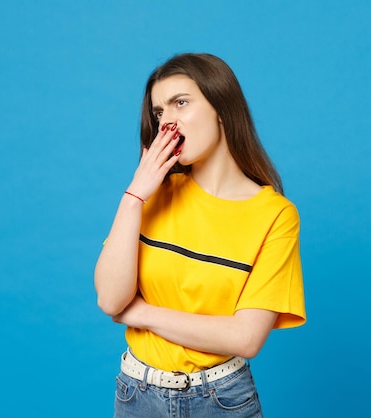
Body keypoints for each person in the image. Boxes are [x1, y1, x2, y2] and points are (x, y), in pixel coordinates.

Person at [94, 53, 306, 418]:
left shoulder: (275, 216)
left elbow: (246, 338)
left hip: (223, 401)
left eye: (181, 103)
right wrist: (134, 196)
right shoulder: (153, 195)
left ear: (221, 108)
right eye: (159, 112)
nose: (167, 124)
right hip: (138, 397)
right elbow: (112, 301)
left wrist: (143, 313)